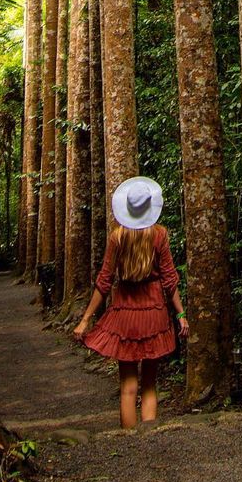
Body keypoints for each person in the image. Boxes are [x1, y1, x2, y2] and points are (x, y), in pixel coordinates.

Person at [72, 176, 189, 428]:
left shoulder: (118, 237)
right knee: (149, 383)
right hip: (154, 314)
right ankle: (148, 436)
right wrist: (181, 314)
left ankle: (128, 441)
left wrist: (85, 319)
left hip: (125, 315)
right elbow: (169, 280)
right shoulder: (159, 235)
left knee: (127, 386)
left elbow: (104, 281)